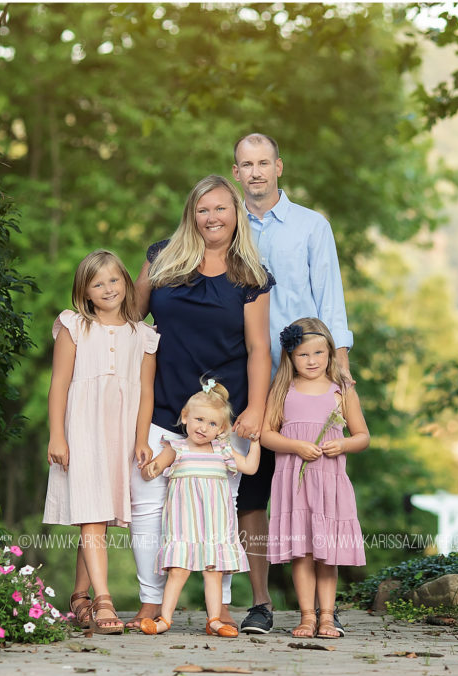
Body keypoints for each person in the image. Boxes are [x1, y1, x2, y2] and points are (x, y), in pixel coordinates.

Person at [127, 174, 274, 631]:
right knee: (148, 507)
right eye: (203, 209)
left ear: (237, 215)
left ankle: (221, 607)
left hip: (222, 416)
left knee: (219, 513)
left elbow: (259, 350)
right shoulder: (162, 257)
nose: (212, 217)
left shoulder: (252, 276)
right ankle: (151, 603)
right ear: (192, 214)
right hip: (162, 400)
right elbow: (130, 317)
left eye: (221, 208)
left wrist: (256, 411)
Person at [231, 132, 354, 635]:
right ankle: (261, 602)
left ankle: (324, 607)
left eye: (263, 162)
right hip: (245, 367)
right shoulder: (224, 223)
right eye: (246, 164)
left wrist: (339, 370)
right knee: (253, 488)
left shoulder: (310, 226)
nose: (255, 171)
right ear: (235, 172)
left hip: (305, 366)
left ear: (279, 167)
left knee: (321, 479)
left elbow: (331, 298)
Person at [45, 249, 159, 635]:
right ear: (85, 292)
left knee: (99, 516)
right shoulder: (75, 325)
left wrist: (142, 437)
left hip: (122, 432)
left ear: (127, 283)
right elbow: (59, 383)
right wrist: (57, 434)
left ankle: (79, 596)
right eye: (98, 283)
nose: (108, 288)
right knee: (92, 514)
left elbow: (146, 392)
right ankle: (104, 598)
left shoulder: (143, 335)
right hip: (82, 429)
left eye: (114, 279)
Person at [262, 318, 368, 638]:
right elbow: (267, 435)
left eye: (319, 353)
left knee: (326, 551)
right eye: (303, 355)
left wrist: (344, 444)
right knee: (302, 551)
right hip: (294, 484)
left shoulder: (342, 390)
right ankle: (307, 616)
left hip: (328, 483)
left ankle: (327, 616)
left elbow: (362, 436)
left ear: (330, 353)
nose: (312, 361)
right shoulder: (283, 389)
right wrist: (294, 446)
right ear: (291, 357)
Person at [138, 381, 261, 637]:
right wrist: (150, 467)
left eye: (213, 424)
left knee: (213, 573)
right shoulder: (177, 449)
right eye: (198, 419)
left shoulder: (223, 450)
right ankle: (164, 619)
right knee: (178, 571)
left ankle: (214, 619)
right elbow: (154, 470)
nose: (203, 427)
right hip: (184, 527)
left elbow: (250, 467)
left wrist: (255, 442)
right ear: (185, 417)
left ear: (222, 429)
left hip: (215, 527)